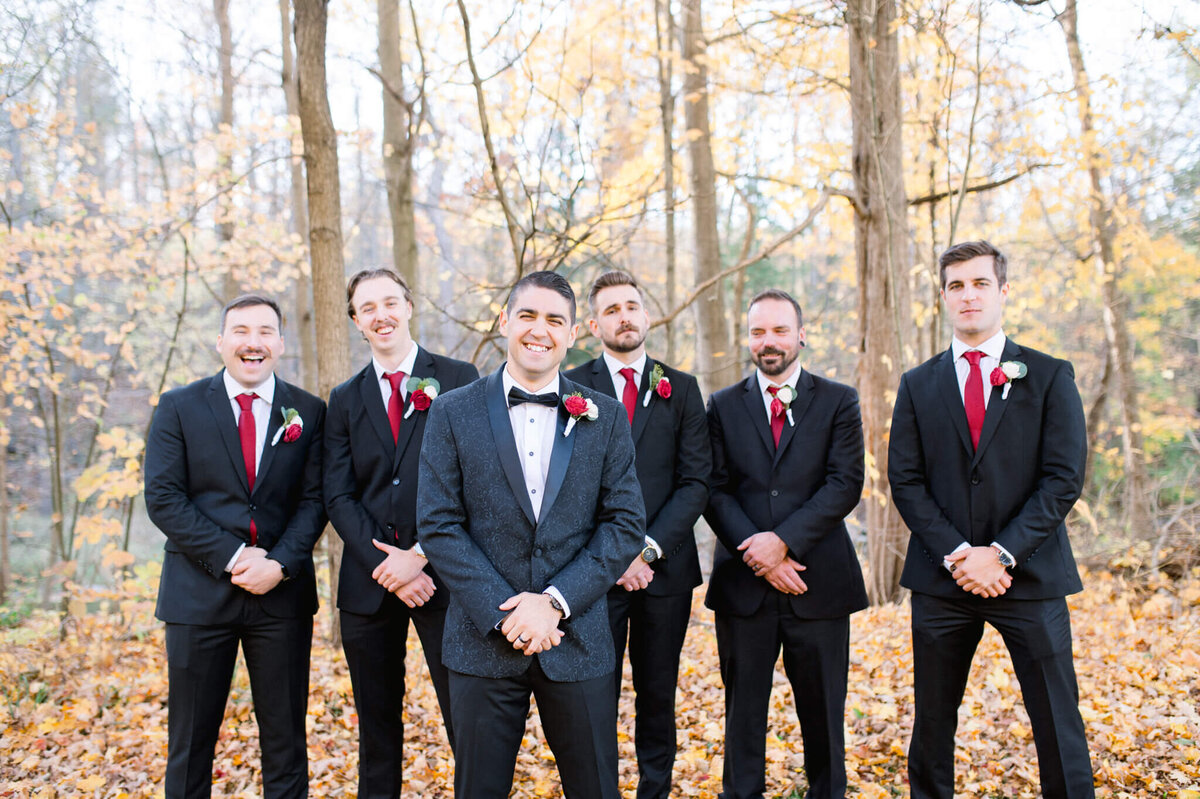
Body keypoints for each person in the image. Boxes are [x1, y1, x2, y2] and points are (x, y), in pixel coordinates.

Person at [416, 270, 645, 799]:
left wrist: (554, 603)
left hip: (578, 636)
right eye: (527, 315)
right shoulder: (452, 411)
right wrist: (508, 609)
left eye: (554, 320)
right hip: (482, 643)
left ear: (571, 335)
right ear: (504, 322)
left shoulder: (605, 417)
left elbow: (625, 522)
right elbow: (439, 523)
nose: (539, 330)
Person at [888, 240, 1094, 799]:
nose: (968, 295)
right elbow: (905, 481)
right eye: (956, 286)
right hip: (943, 579)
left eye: (980, 283)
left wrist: (999, 554)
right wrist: (960, 555)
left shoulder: (1050, 377)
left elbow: (1063, 479)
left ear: (1003, 291)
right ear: (943, 298)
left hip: (1029, 577)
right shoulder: (918, 383)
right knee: (932, 724)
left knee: (1058, 721)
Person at [145, 294, 326, 799]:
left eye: (265, 331)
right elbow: (163, 498)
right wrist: (234, 557)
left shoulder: (308, 412)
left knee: (286, 738)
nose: (254, 342)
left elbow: (315, 500)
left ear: (280, 344)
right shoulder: (178, 406)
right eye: (241, 331)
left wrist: (281, 564)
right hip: (197, 595)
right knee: (190, 741)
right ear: (221, 342)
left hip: (281, 599)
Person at [704, 289, 867, 799]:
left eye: (778, 330)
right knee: (742, 718)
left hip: (816, 583)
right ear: (747, 339)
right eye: (757, 332)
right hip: (742, 586)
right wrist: (758, 552)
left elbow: (844, 483)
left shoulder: (839, 400)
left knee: (823, 719)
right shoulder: (723, 405)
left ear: (801, 333)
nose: (768, 341)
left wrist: (784, 543)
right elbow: (712, 486)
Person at [323, 268, 479, 798]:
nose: (381, 315)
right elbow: (339, 494)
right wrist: (390, 568)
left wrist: (420, 556)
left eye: (390, 302)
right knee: (376, 725)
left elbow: (477, 480)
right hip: (370, 587)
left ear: (409, 306)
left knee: (466, 718)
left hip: (448, 579)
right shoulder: (343, 399)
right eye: (367, 308)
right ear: (356, 322)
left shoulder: (460, 378)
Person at [564, 270, 710, 799]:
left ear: (646, 316)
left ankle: (655, 789)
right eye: (611, 309)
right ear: (592, 324)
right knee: (592, 694)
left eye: (631, 306)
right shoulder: (571, 387)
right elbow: (565, 488)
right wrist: (614, 555)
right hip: (590, 574)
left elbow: (696, 482)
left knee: (657, 693)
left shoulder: (683, 388)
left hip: (664, 572)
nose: (623, 316)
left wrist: (646, 549)